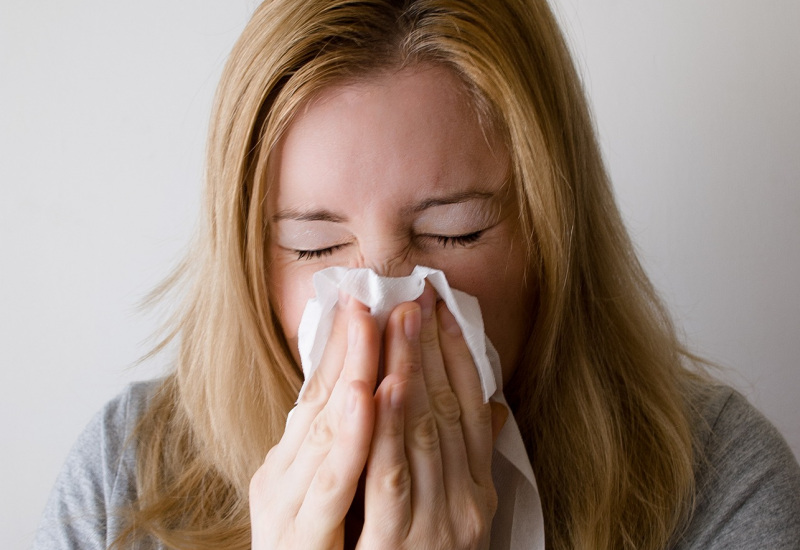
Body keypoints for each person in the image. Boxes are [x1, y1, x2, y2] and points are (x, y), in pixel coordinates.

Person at [34, 0, 800, 549]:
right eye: (310, 245)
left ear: (552, 238)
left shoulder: (715, 485)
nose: (378, 304)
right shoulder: (124, 482)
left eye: (452, 232)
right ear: (246, 255)